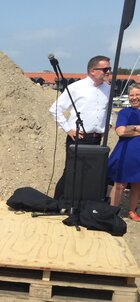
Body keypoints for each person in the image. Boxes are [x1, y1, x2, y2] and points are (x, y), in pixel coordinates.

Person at [49, 55, 111, 198]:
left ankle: (82, 203)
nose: (108, 72)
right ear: (92, 71)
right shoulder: (76, 87)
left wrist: (108, 124)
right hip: (79, 137)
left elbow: (108, 110)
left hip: (96, 138)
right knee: (71, 171)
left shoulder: (107, 89)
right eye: (105, 69)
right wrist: (68, 129)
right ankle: (58, 203)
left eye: (109, 68)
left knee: (91, 173)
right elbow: (55, 109)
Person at [107, 83, 140, 221]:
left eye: (137, 94)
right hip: (126, 153)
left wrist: (131, 129)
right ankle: (112, 211)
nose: (134, 98)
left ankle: (132, 211)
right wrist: (138, 128)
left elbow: (126, 130)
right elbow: (120, 131)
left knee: (138, 185)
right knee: (120, 184)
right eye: (131, 95)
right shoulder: (124, 112)